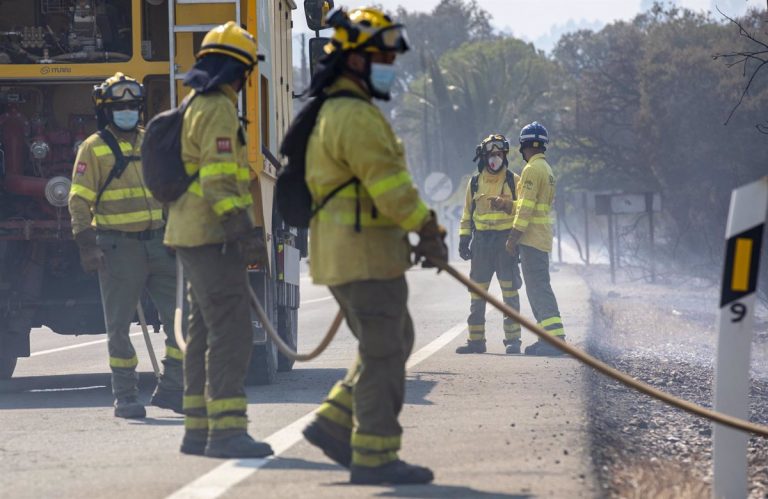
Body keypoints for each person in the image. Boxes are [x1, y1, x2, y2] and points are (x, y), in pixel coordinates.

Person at [299, 7, 447, 485]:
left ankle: (334, 422)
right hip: (361, 256)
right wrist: (427, 227)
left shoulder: (340, 110)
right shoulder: (355, 116)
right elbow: (391, 186)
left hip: (354, 254)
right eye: (382, 55)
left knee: (392, 339)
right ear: (357, 61)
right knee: (385, 350)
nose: (389, 64)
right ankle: (376, 456)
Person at [163, 22, 272, 458]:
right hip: (211, 236)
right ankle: (226, 432)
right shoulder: (219, 109)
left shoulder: (195, 104)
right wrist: (241, 231)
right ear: (237, 70)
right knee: (232, 332)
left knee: (203, 331)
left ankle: (197, 430)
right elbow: (219, 180)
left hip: (189, 233)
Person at [69, 72, 183, 419]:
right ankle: (126, 396)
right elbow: (78, 201)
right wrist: (88, 245)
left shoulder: (152, 142)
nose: (127, 111)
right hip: (118, 248)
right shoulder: (93, 148)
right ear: (106, 111)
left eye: (133, 105)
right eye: (120, 106)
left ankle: (173, 389)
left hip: (160, 244)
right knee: (118, 325)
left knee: (183, 321)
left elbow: (172, 191)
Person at [502, 121, 566, 356]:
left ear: (524, 145)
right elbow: (531, 204)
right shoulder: (546, 170)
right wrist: (508, 204)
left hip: (531, 239)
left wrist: (512, 238)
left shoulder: (530, 170)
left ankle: (553, 340)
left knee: (538, 289)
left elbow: (526, 210)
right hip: (541, 238)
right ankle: (548, 338)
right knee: (540, 288)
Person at [456, 134, 523, 355]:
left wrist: (507, 206)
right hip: (482, 244)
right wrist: (464, 239)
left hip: (506, 243)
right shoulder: (475, 182)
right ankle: (476, 341)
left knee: (509, 291)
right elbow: (467, 214)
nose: (495, 158)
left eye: (499, 154)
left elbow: (523, 209)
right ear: (483, 157)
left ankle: (513, 341)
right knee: (477, 292)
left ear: (504, 155)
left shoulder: (514, 181)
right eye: (490, 154)